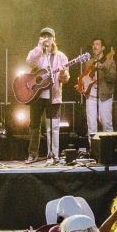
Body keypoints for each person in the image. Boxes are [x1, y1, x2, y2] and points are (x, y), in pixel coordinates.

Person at [26, 28, 71, 161]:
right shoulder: (36, 53)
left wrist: (63, 74)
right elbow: (29, 62)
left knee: (54, 126)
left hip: (54, 96)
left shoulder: (61, 56)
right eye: (43, 36)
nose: (46, 39)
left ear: (53, 39)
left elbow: (66, 79)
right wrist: (39, 47)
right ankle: (33, 154)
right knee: (34, 125)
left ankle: (53, 155)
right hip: (36, 95)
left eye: (48, 36)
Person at [75, 37, 117, 140]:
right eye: (93, 44)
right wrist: (81, 86)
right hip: (91, 96)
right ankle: (93, 150)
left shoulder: (110, 62)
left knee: (106, 123)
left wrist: (104, 68)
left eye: (97, 44)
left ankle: (109, 149)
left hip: (104, 96)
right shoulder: (89, 63)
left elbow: (112, 78)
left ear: (103, 48)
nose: (95, 46)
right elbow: (87, 78)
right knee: (91, 124)